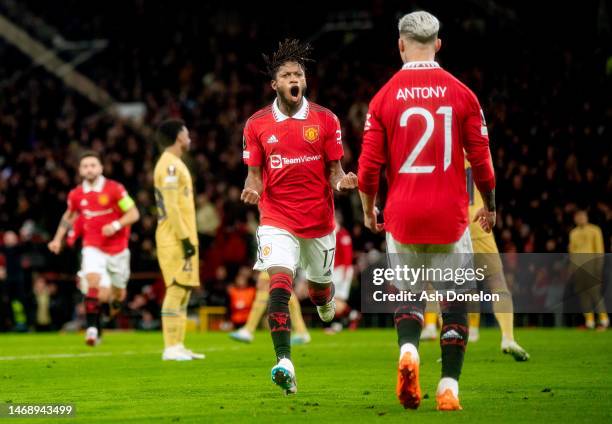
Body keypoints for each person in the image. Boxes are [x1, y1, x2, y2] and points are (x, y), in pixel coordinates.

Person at [358, 11, 495, 411]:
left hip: (402, 216)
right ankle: (448, 386)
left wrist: (369, 210)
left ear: (401, 45)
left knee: (410, 294)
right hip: (450, 219)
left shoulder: (383, 97)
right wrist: (490, 203)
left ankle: (409, 353)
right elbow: (482, 162)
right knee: (455, 301)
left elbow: (368, 169)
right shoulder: (462, 93)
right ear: (438, 44)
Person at [241, 39, 358, 394]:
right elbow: (254, 174)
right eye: (287, 74)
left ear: (304, 81)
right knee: (280, 283)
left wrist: (342, 182)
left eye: (299, 73)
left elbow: (335, 170)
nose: (294, 78)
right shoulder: (257, 124)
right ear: (274, 84)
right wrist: (252, 189)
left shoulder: (325, 119)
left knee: (321, 294)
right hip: (276, 219)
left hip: (320, 222)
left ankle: (325, 305)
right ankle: (283, 361)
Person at [421, 159, 530, 362]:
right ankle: (508, 337)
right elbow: (488, 179)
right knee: (497, 283)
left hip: (450, 224)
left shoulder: (442, 144)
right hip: (477, 222)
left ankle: (449, 342)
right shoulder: (476, 148)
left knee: (447, 289)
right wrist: (491, 209)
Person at [48, 151, 140, 346]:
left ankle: (107, 313)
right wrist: (57, 239)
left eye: (93, 165)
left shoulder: (115, 189)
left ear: (101, 168)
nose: (89, 169)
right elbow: (69, 216)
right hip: (93, 246)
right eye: (85, 166)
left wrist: (115, 226)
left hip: (118, 249)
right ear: (80, 170)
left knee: (117, 296)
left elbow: (133, 213)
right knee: (93, 282)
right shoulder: (76, 194)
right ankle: (91, 330)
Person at [154, 119, 205, 361]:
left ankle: (178, 344)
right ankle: (170, 347)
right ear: (178, 137)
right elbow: (172, 206)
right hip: (174, 236)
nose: (190, 137)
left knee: (184, 291)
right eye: (187, 133)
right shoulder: (170, 166)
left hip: (183, 234)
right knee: (176, 289)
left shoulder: (175, 164)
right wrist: (184, 238)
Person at [229, 271, 311, 345]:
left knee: (264, 289)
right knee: (286, 292)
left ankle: (248, 330)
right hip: (277, 261)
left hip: (274, 261)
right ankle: (301, 332)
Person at [569, 210, 608, 330]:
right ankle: (589, 322)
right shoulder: (573, 233)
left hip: (591, 267)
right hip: (578, 268)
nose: (580, 218)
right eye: (578, 216)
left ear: (586, 217)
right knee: (583, 295)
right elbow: (572, 252)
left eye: (582, 216)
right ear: (575, 219)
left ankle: (603, 320)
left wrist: (598, 267)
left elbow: (599, 249)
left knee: (595, 293)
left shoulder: (595, 230)